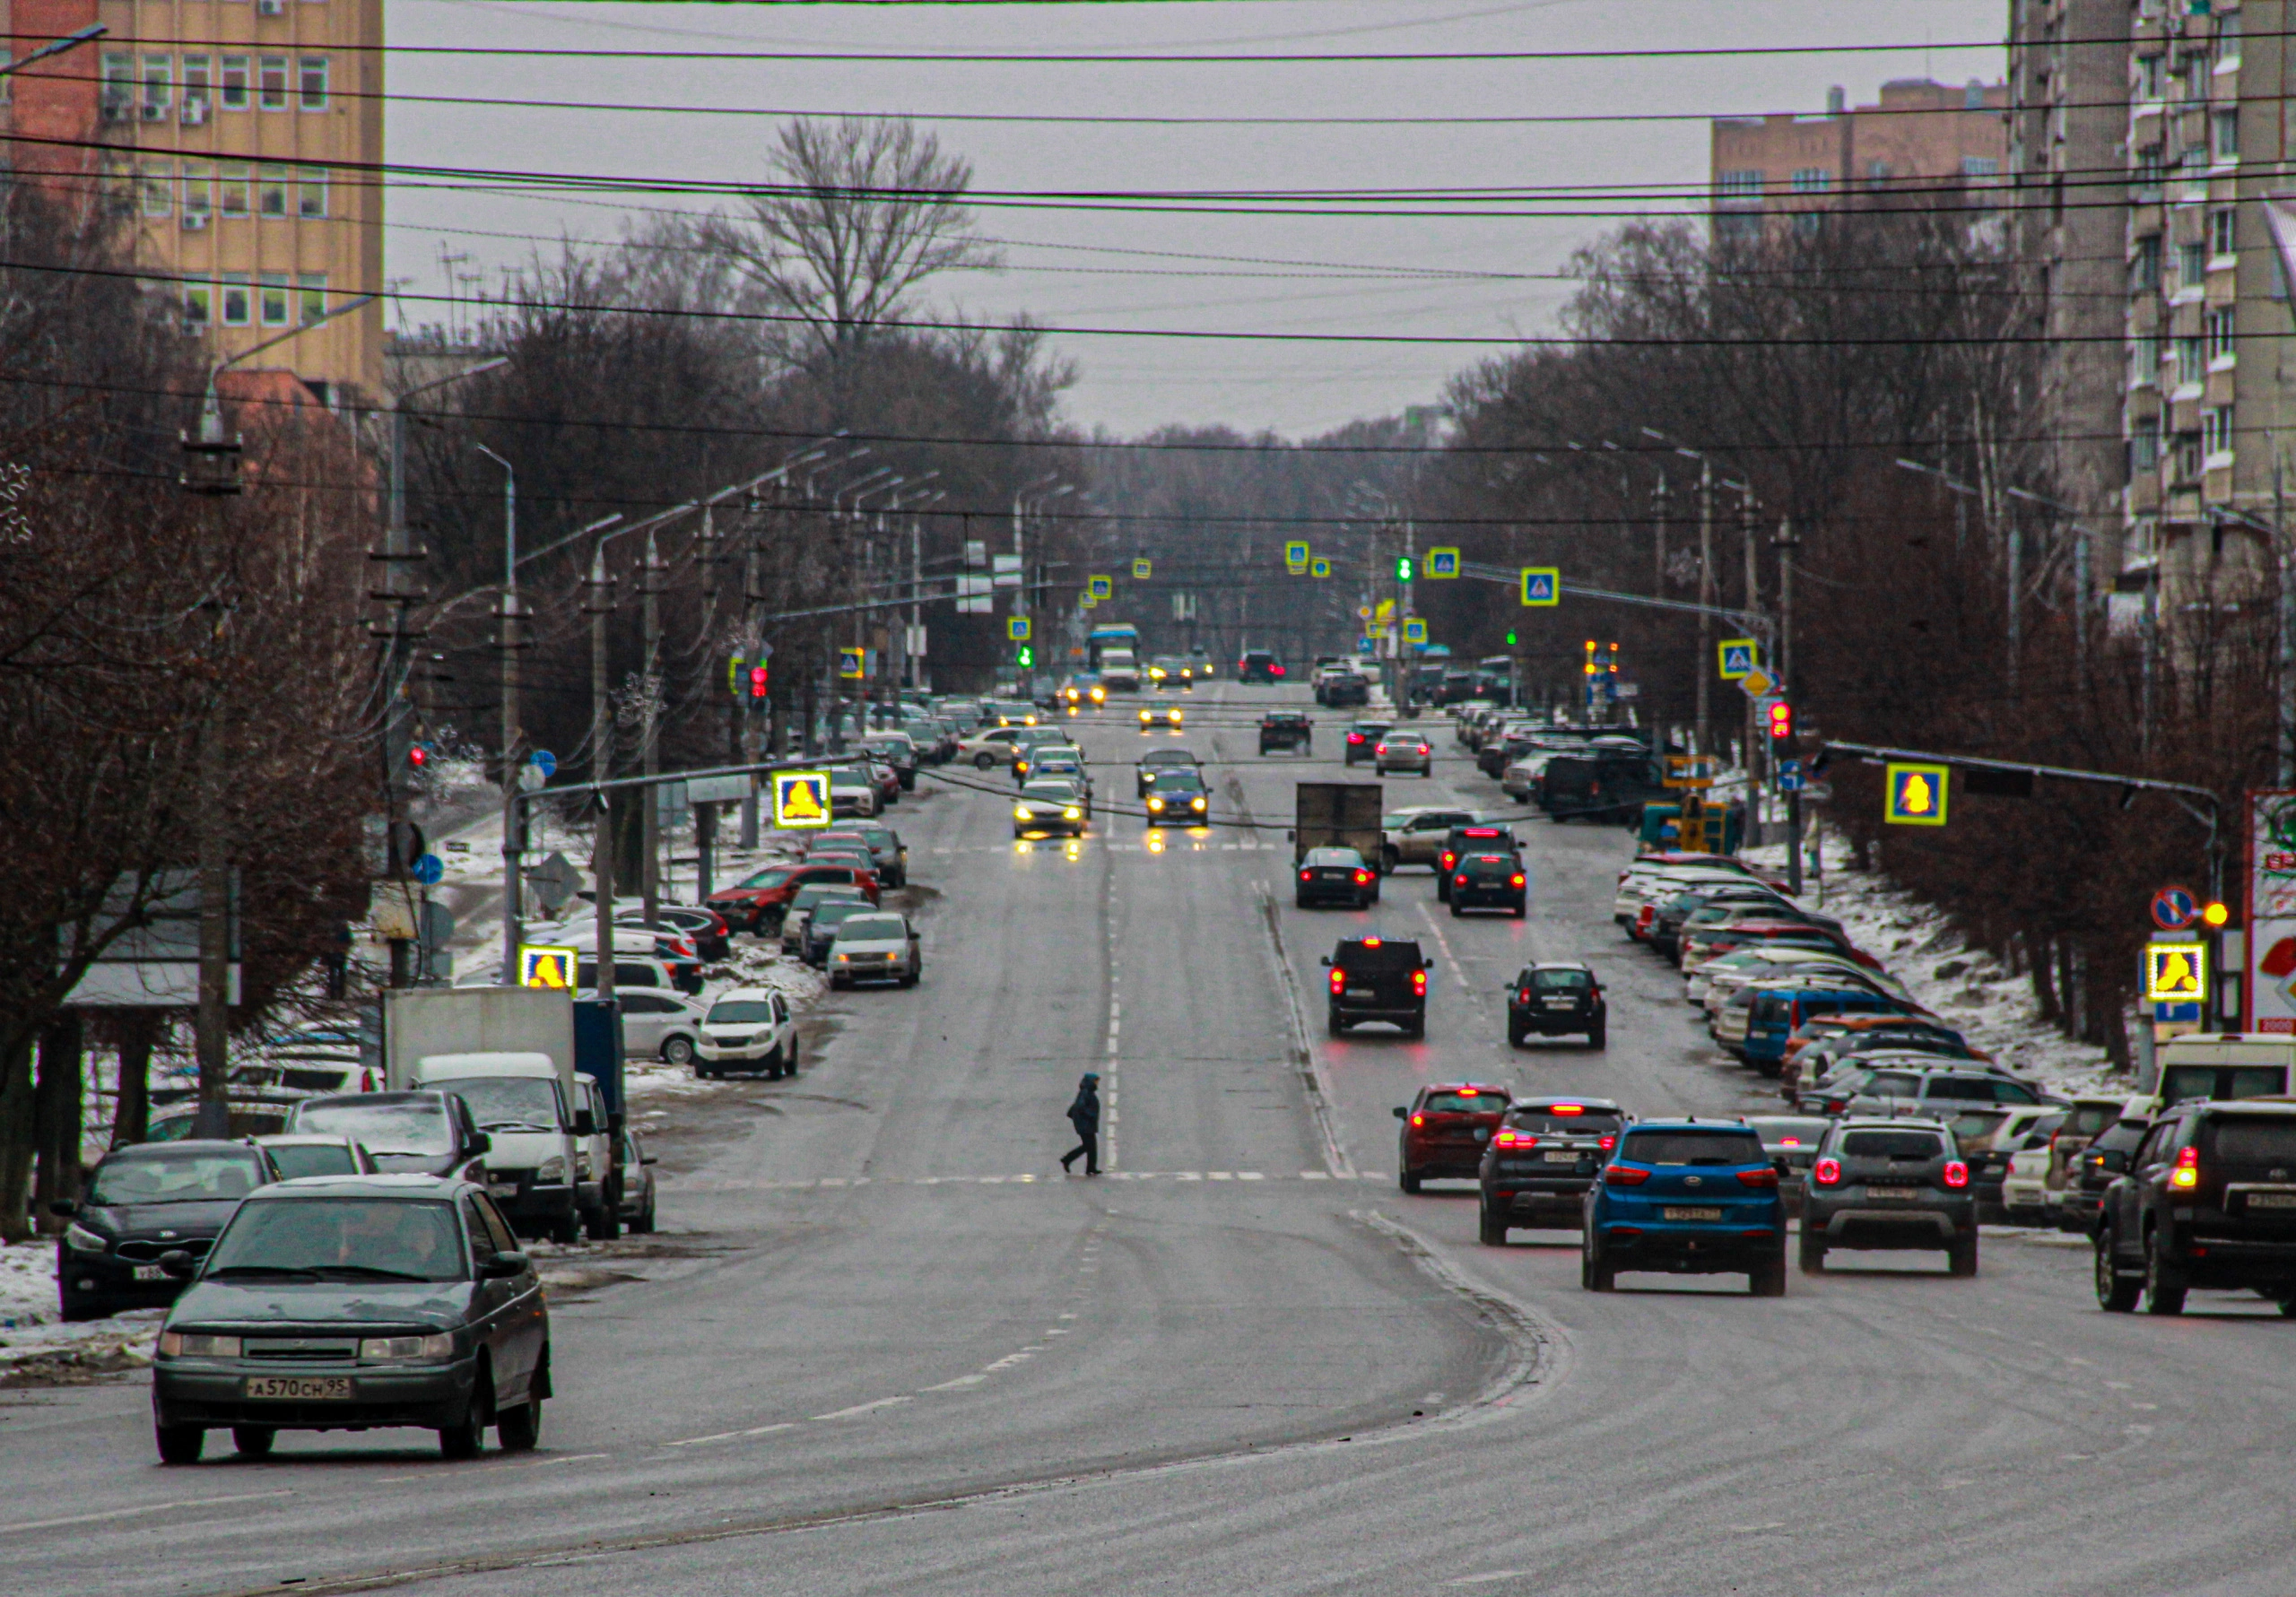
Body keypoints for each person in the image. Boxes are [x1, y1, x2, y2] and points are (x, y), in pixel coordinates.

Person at [1059, 1072, 1101, 1176]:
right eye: (1096, 1081)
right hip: (1085, 1124)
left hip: (1087, 1124)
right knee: (1088, 1146)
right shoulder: (1085, 1092)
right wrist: (1091, 1115)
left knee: (1091, 1147)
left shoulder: (1088, 1092)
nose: (1097, 1083)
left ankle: (1091, 1168)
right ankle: (1067, 1159)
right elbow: (1080, 1107)